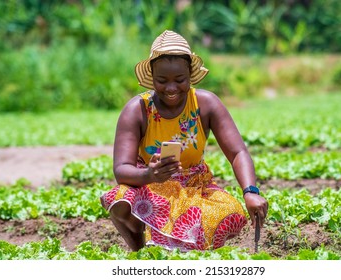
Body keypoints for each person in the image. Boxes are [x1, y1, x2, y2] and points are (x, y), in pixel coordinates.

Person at [100, 30, 268, 252]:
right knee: (121, 201)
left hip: (194, 187)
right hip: (151, 186)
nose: (171, 88)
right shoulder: (138, 110)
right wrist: (150, 174)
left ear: (190, 75)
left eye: (180, 80)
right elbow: (122, 170)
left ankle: (182, 255)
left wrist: (250, 192)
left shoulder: (205, 104)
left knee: (230, 212)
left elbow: (237, 152)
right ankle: (140, 251)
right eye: (162, 81)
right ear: (152, 76)